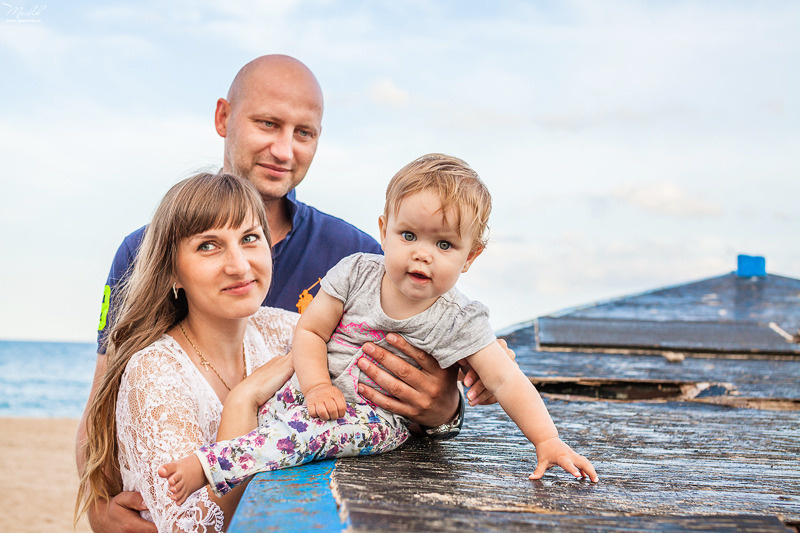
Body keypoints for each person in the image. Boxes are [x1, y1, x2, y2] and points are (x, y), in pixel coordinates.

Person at [78, 55, 511, 532]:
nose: (284, 149)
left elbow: (439, 350)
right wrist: (96, 504)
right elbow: (105, 398)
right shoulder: (141, 252)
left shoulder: (358, 258)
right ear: (224, 117)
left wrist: (450, 405)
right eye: (267, 123)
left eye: (304, 133)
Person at [158, 154, 598, 505]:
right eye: (409, 236)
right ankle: (240, 492)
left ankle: (209, 466)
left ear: (471, 257)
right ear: (385, 231)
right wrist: (314, 387)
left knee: (308, 437)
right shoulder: (356, 273)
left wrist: (548, 440)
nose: (422, 254)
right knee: (274, 417)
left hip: (377, 416)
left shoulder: (461, 319)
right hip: (318, 385)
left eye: (444, 244)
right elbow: (310, 333)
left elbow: (506, 379)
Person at [76, 172, 410, 532]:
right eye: (208, 245)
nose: (238, 265)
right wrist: (242, 401)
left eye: (249, 238)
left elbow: (385, 374)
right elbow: (193, 527)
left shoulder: (285, 330)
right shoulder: (154, 373)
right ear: (172, 271)